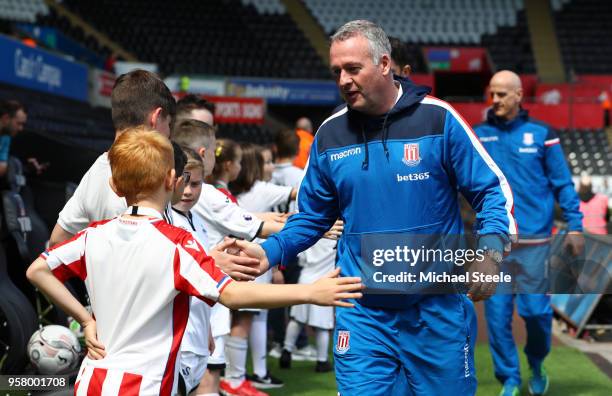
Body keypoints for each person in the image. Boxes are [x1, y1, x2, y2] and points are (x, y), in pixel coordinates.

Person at [252, 20, 516, 396]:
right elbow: (311, 218)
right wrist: (267, 253)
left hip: (435, 311)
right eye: (336, 71)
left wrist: (491, 250)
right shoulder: (329, 135)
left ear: (384, 64)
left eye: (353, 69)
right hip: (362, 314)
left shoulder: (438, 118)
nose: (343, 80)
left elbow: (492, 191)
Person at [26, 128, 364, 396]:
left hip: (91, 380)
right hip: (145, 385)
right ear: (173, 180)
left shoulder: (92, 236)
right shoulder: (176, 243)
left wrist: (85, 320)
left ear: (114, 185)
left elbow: (37, 270)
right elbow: (231, 295)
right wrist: (310, 292)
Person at [474, 70, 585, 396]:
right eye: (492, 94)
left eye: (502, 95)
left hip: (536, 244)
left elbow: (563, 184)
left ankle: (536, 362)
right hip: (495, 247)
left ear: (519, 95)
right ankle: (509, 378)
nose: (495, 101)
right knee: (496, 320)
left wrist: (576, 226)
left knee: (536, 314)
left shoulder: (542, 134)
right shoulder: (478, 135)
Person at [220, 144, 295, 394]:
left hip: (240, 263)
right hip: (251, 265)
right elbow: (296, 192)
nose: (270, 167)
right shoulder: (260, 189)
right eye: (265, 162)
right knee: (243, 323)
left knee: (243, 322)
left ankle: (237, 376)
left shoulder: (235, 192)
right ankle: (235, 379)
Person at [0, 100, 29, 177]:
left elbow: (2, 167)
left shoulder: (6, 137)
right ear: (5, 118)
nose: (21, 128)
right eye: (18, 123)